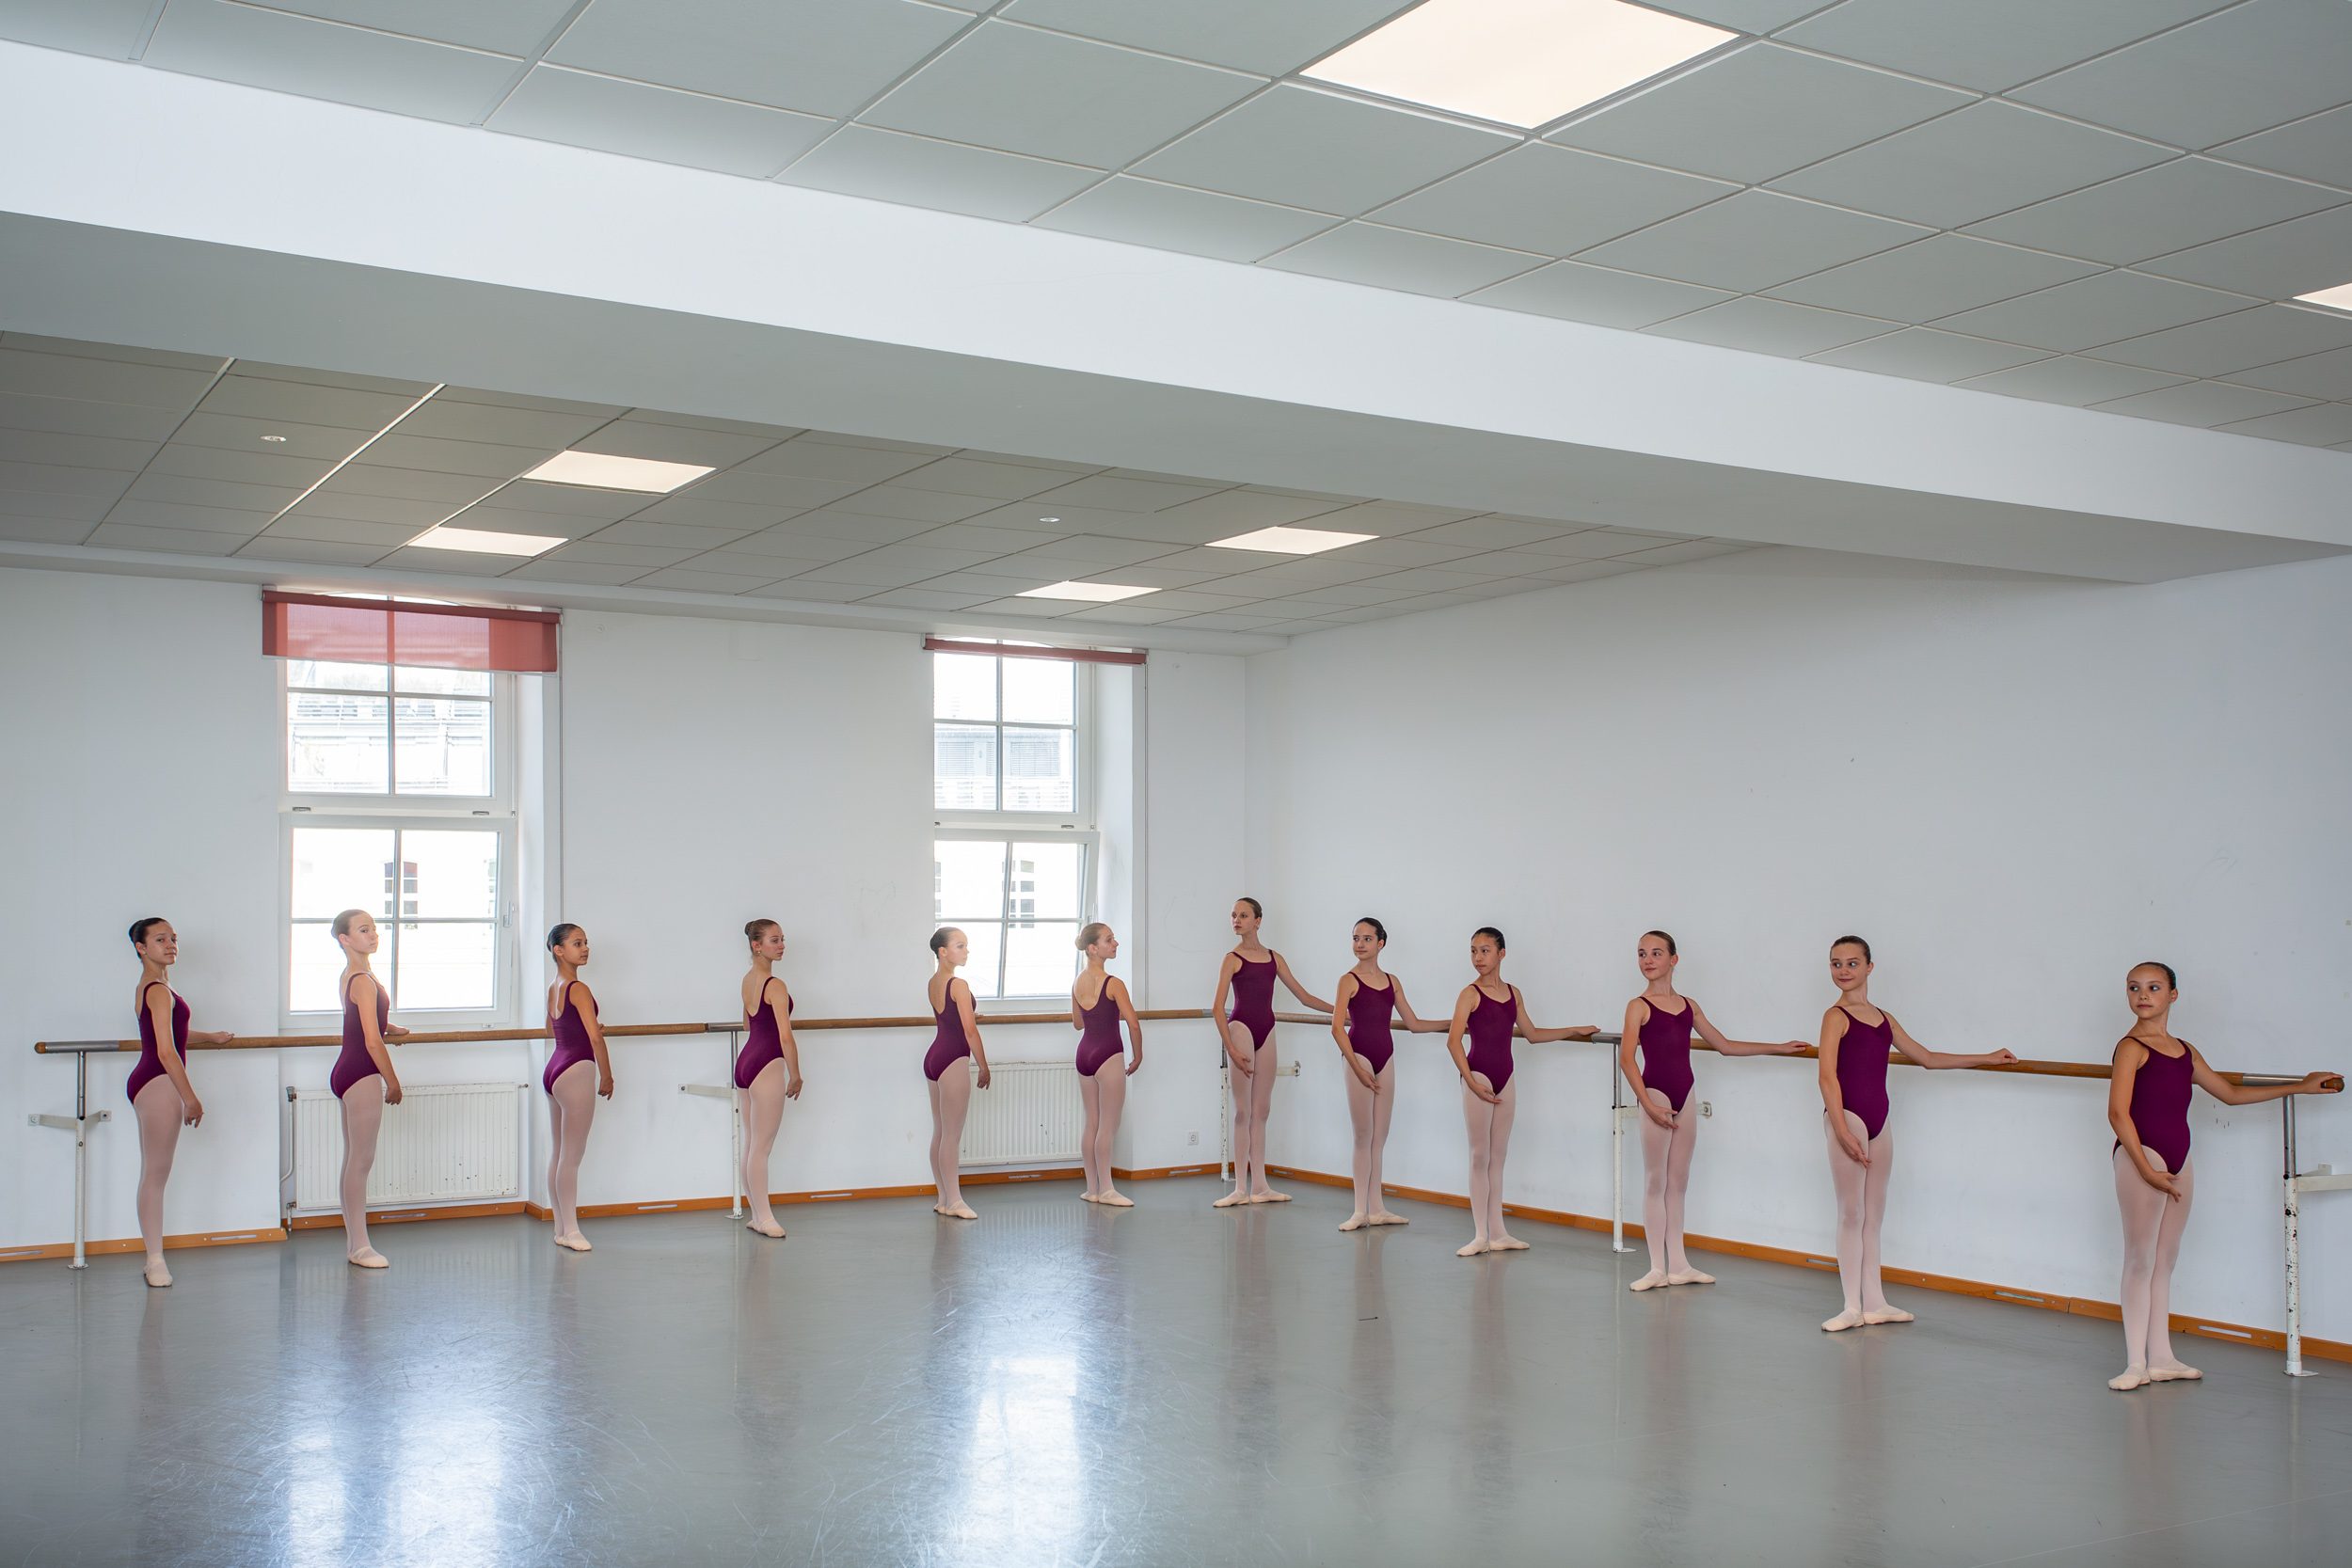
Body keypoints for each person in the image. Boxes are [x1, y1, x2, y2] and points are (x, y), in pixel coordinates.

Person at [2106, 960, 2340, 1390]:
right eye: (2134, 988)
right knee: (2140, 1258)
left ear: (2172, 996)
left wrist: (2300, 1087)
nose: (2142, 995)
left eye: (2153, 988)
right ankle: (2134, 1363)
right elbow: (2118, 1114)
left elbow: (2229, 1094)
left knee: (2165, 1260)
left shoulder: (2185, 1051)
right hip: (2144, 1158)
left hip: (2180, 1159)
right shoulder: (2130, 1047)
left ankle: (2161, 1357)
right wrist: (2146, 1170)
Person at [1817, 934, 2015, 1331]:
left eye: (1852, 963)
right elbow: (1826, 1076)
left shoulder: (1884, 1020)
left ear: (1870, 967)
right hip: (1849, 1119)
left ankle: (1875, 1301)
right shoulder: (1835, 1017)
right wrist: (1841, 1130)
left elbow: (1926, 1058)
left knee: (1874, 1214)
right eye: (1836, 963)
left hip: (1880, 1120)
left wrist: (1986, 1057)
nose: (1843, 971)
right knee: (1851, 1212)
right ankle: (1850, 1305)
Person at [1619, 930, 1806, 1291]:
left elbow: (1724, 1045)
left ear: (1674, 960)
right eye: (1642, 953)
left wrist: (1779, 1047)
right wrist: (1647, 1104)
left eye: (1656, 953)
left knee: (1679, 1182)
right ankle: (1657, 1267)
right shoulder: (1638, 1006)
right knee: (1656, 1181)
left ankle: (1680, 1264)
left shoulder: (1689, 1006)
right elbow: (1628, 1059)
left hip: (1686, 1095)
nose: (1647, 960)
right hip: (1656, 1094)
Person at [1443, 927, 1598, 1257]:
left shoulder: (1514, 994)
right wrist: (1470, 1080)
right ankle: (1480, 1234)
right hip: (1479, 1077)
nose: (1477, 958)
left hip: (1506, 1078)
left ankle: (1498, 1232)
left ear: (1501, 954)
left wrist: (1572, 1029)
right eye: (1473, 950)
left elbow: (1531, 1034)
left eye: (1485, 950)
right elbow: (1453, 1040)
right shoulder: (1469, 994)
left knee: (1498, 1158)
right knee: (1479, 1156)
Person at [123, 917, 232, 1287]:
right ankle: (154, 1261)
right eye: (160, 939)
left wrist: (211, 1037)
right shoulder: (156, 988)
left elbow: (173, 1035)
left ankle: (154, 1258)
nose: (170, 944)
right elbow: (167, 1052)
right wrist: (191, 1098)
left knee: (154, 1172)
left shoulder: (162, 987)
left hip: (153, 1080)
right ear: (141, 948)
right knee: (155, 1175)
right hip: (158, 1082)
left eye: (173, 938)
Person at [1210, 897, 1332, 1208]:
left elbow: (1303, 997)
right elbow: (1216, 1008)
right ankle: (1239, 1188)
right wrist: (1232, 1049)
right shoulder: (1232, 958)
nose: (1236, 920)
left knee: (1262, 1110)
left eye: (1243, 915)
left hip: (1268, 1029)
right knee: (1243, 1111)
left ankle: (1261, 1186)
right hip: (1242, 1030)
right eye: (1233, 915)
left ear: (1258, 921)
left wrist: (1341, 1012)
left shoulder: (1274, 958)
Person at [1327, 916, 1438, 1231]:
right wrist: (1356, 1067)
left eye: (1366, 938)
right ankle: (1359, 1211)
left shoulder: (1392, 981)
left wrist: (1454, 1024)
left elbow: (1414, 1024)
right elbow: (1337, 1029)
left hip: (1386, 1059)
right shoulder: (1347, 980)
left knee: (1380, 1137)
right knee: (1363, 1136)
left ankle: (1377, 1208)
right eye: (1355, 938)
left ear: (1381, 943)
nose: (1359, 944)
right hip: (1358, 1058)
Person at [328, 910, 408, 1269]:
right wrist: (391, 1080)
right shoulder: (361, 978)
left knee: (353, 1160)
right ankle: (360, 1247)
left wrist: (390, 1026)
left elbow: (362, 1021)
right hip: (361, 1071)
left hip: (348, 1068)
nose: (373, 935)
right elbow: (372, 1042)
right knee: (361, 1162)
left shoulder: (354, 975)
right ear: (345, 939)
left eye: (374, 929)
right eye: (364, 930)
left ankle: (355, 1244)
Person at [543, 924, 612, 1254]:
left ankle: (560, 1227)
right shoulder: (578, 988)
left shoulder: (555, 986)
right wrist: (607, 1075)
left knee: (559, 1152)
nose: (585, 948)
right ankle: (571, 1230)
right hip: (577, 1070)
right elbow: (595, 1038)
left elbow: (551, 1027)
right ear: (559, 950)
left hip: (555, 1068)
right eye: (577, 943)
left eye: (586, 942)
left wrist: (585, 1028)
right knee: (571, 1156)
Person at [736, 919, 804, 1239]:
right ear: (756, 945)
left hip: (747, 1060)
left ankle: (756, 1215)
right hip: (767, 1063)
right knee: (761, 1147)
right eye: (774, 940)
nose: (781, 945)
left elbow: (748, 1026)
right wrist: (796, 1074)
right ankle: (764, 1218)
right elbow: (785, 1036)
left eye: (782, 939)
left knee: (752, 1144)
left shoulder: (748, 980)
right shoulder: (775, 985)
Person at [1071, 923, 1142, 1206]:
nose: (1116, 943)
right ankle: (1108, 1189)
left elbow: (1077, 1023)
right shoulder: (1114, 984)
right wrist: (1138, 1055)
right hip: (1108, 1053)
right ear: (1093, 948)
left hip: (1084, 1053)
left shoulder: (1077, 981)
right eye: (1109, 940)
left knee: (1092, 1122)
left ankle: (1092, 1189)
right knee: (1109, 1125)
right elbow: (1133, 1025)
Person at [925, 927, 992, 1220]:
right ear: (943, 952)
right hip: (953, 1059)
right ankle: (955, 1201)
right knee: (951, 1135)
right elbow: (968, 1030)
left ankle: (943, 1198)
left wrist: (970, 1014)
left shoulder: (933, 982)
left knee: (941, 1132)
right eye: (960, 946)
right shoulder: (959, 984)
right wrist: (984, 1066)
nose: (966, 951)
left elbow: (950, 1018)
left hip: (934, 1057)